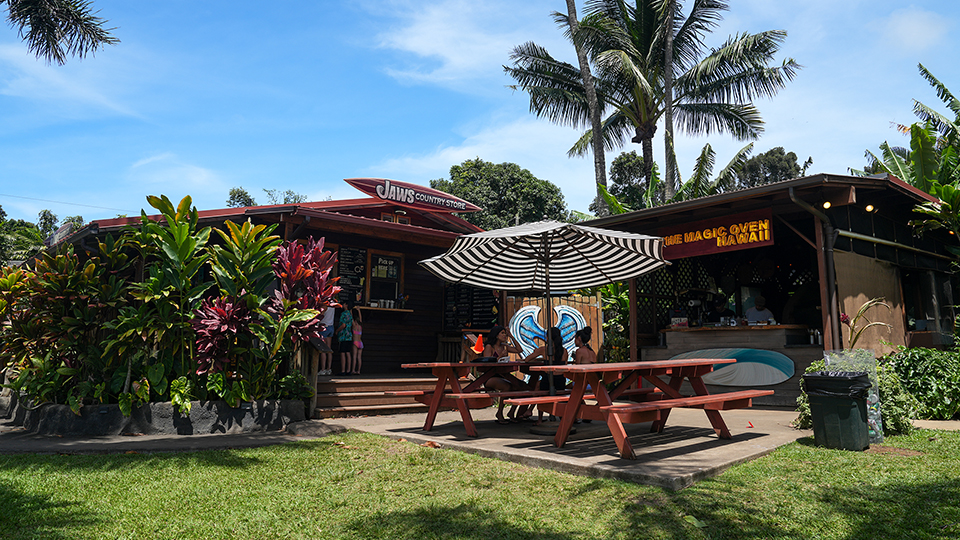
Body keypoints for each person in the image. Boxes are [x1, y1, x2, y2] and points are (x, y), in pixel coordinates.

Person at [522, 326, 569, 425]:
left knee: (540, 391)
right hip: (560, 379)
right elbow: (564, 365)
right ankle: (562, 418)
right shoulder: (564, 351)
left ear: (547, 337)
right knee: (541, 386)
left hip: (549, 378)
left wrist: (542, 360)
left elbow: (527, 359)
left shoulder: (544, 349)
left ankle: (538, 418)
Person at [482, 325, 524, 424]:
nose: (505, 335)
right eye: (502, 333)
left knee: (519, 387)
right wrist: (500, 356)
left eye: (505, 333)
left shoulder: (504, 346)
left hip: (503, 375)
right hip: (489, 377)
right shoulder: (489, 347)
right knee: (507, 387)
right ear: (496, 335)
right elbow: (486, 363)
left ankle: (511, 412)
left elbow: (519, 350)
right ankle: (499, 412)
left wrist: (512, 336)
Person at [318, 305, 336, 376]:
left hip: (324, 327)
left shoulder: (325, 306)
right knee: (329, 349)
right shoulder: (333, 306)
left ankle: (323, 369)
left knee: (323, 349)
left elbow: (321, 315)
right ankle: (329, 369)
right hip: (331, 326)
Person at [336, 305, 354, 375]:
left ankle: (343, 370)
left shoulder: (343, 314)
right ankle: (348, 370)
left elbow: (343, 325)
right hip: (349, 335)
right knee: (348, 352)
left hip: (343, 335)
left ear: (346, 305)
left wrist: (337, 331)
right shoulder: (350, 314)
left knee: (342, 353)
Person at [350, 307, 363, 375]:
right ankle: (358, 371)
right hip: (360, 342)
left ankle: (353, 370)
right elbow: (360, 319)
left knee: (354, 356)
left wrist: (351, 311)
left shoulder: (354, 326)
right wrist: (359, 310)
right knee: (359, 357)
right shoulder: (360, 326)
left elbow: (351, 318)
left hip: (355, 342)